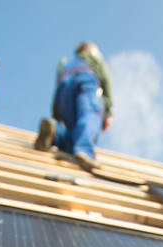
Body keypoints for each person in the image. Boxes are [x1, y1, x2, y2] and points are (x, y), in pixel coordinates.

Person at [34, 41, 113, 171]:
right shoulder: (94, 60)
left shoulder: (66, 63)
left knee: (75, 135)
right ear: (93, 51)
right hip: (86, 81)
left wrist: (56, 116)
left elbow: (56, 92)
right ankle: (85, 151)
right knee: (90, 115)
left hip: (64, 92)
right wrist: (109, 110)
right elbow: (106, 80)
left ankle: (55, 132)